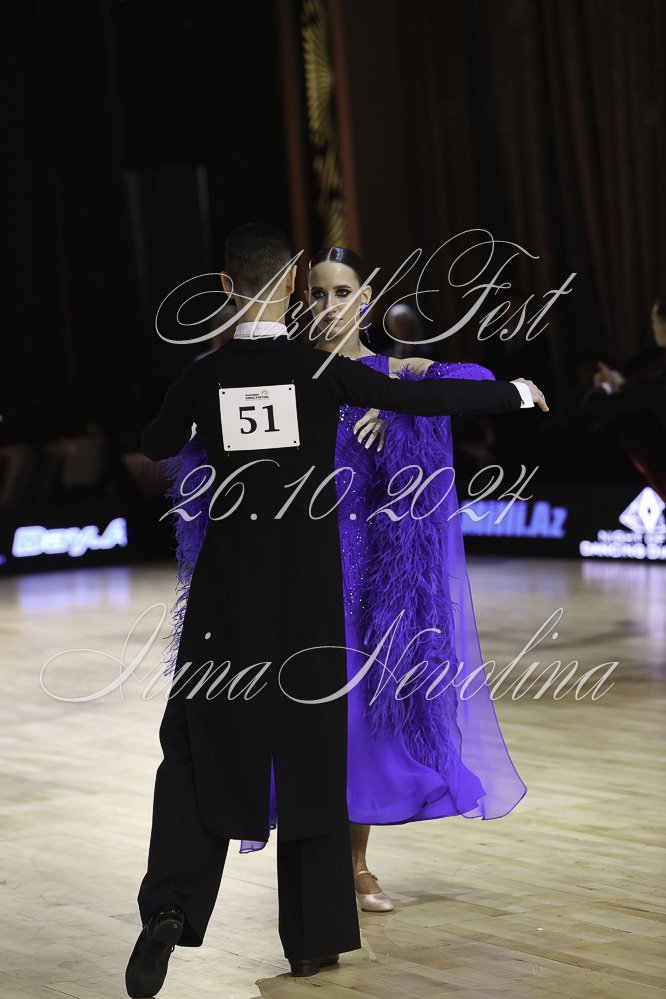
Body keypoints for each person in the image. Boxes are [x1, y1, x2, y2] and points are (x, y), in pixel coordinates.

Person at [127, 223, 547, 998]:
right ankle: (313, 939)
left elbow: (158, 443)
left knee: (195, 746)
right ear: (292, 284)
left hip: (228, 598)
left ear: (223, 289)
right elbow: (418, 395)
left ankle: (172, 906)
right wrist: (512, 392)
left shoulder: (203, 377)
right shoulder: (318, 371)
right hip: (311, 599)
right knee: (314, 760)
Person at [581, 294, 666, 500]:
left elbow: (592, 403)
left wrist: (607, 385)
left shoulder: (658, 386)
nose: (652, 328)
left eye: (654, 323)